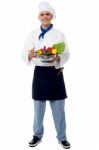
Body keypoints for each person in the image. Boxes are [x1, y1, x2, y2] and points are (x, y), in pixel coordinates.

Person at [21, 1, 71, 149]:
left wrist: (59, 58)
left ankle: (62, 137)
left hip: (55, 72)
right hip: (40, 73)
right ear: (39, 17)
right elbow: (24, 51)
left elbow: (66, 52)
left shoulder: (59, 34)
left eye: (47, 14)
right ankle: (37, 135)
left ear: (52, 16)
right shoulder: (32, 34)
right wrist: (29, 54)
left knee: (59, 109)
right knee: (38, 108)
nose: (45, 16)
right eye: (42, 14)